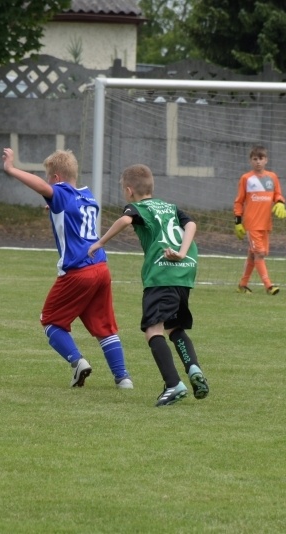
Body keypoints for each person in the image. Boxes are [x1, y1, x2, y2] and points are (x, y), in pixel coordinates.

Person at [2, 147, 132, 389]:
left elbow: (44, 188)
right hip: (101, 268)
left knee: (50, 320)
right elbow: (70, 210)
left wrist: (11, 169)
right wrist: (53, 206)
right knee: (105, 326)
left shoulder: (59, 192)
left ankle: (77, 361)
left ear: (56, 178)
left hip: (78, 271)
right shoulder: (88, 196)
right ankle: (123, 378)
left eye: (49, 178)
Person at [88, 164, 209, 407]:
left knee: (153, 330)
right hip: (184, 273)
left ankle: (173, 384)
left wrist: (100, 242)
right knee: (174, 327)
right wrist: (182, 253)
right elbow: (191, 225)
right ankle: (193, 367)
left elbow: (125, 220)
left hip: (161, 274)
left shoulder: (137, 208)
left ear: (129, 190)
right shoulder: (170, 207)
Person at [233, 145, 286, 295]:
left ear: (266, 160)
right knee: (260, 254)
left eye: (261, 158)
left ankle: (242, 286)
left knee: (253, 255)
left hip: (266, 223)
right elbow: (239, 201)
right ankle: (269, 286)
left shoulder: (272, 177)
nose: (258, 162)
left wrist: (280, 203)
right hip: (252, 224)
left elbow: (278, 194)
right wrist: (238, 222)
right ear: (250, 161)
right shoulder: (246, 178)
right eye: (255, 159)